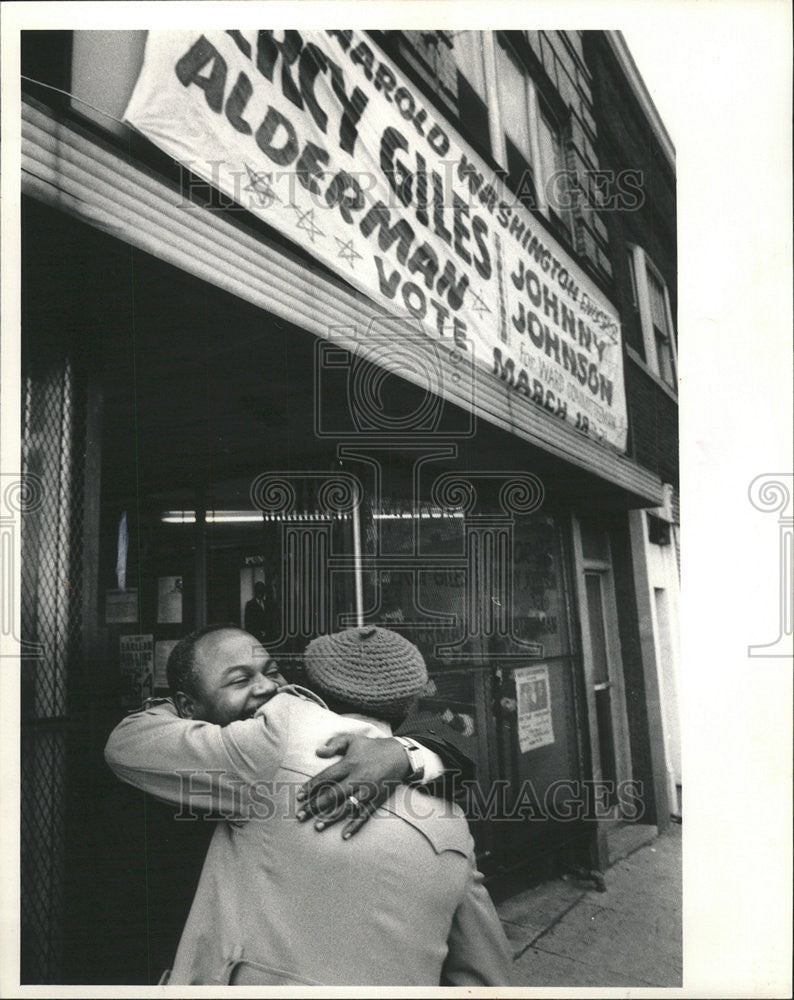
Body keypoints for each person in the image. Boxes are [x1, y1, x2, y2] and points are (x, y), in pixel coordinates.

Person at [104, 625, 510, 986]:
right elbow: (487, 975)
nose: (266, 688)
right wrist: (413, 753)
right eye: (241, 679)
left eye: (273, 672)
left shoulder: (268, 746)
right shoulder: (450, 818)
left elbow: (126, 740)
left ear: (311, 686)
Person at [242, 579, 275, 644]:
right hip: (256, 638)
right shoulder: (250, 605)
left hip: (269, 638)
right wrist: (259, 633)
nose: (260, 593)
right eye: (258, 590)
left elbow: (271, 620)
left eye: (262, 590)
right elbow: (248, 624)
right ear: (255, 591)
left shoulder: (268, 604)